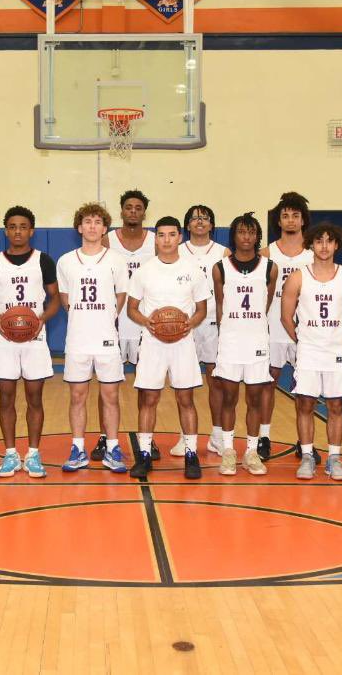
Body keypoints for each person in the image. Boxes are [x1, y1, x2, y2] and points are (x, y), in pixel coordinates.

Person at [126, 216, 210, 480]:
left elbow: (202, 309)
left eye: (171, 235)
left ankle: (191, 454)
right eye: (161, 235)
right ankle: (145, 456)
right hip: (152, 342)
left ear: (180, 237)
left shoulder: (193, 269)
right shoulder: (144, 270)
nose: (166, 240)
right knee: (149, 399)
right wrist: (147, 322)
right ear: (156, 238)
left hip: (183, 342)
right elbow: (132, 308)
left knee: (186, 399)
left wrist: (189, 324)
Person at [0, 206, 61, 478]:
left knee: (34, 398)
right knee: (6, 398)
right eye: (13, 226)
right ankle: (10, 454)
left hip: (35, 339)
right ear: (6, 230)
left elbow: (56, 299)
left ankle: (34, 454)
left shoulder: (43, 261)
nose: (18, 231)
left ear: (32, 231)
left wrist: (40, 320)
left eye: (23, 226)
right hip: (5, 340)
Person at [281, 222, 342, 481]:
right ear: (311, 245)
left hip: (336, 351)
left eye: (329, 241)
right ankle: (307, 456)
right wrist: (304, 340)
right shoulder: (298, 277)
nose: (324, 246)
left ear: (336, 244)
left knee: (336, 404)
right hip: (308, 351)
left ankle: (335, 459)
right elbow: (286, 318)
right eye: (319, 241)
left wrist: (336, 339)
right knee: (304, 403)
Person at [56, 202, 129, 473]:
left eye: (98, 222)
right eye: (87, 221)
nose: (92, 226)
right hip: (78, 339)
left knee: (110, 395)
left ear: (105, 228)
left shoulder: (116, 260)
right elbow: (65, 299)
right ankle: (78, 448)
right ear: (79, 227)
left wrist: (108, 316)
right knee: (78, 395)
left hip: (107, 338)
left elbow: (121, 295)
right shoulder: (65, 261)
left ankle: (112, 448)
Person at [212, 213, 277, 476]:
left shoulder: (270, 267)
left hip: (257, 341)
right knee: (229, 397)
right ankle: (228, 450)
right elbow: (219, 305)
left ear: (257, 236)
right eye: (241, 232)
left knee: (254, 399)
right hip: (230, 341)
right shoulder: (220, 267)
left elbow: (267, 303)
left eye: (251, 232)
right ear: (234, 236)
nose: (247, 237)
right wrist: (227, 333)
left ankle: (251, 451)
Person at [97, 189, 158, 461]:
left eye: (138, 208)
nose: (133, 211)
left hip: (146, 323)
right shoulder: (107, 240)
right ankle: (104, 437)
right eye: (128, 207)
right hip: (115, 322)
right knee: (108, 387)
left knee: (148, 386)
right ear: (121, 211)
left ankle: (148, 439)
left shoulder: (156, 241)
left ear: (144, 212)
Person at [260, 191, 314, 461]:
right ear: (278, 221)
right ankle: (264, 437)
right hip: (272, 328)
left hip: (305, 331)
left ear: (303, 220)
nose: (290, 220)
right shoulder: (266, 254)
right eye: (285, 215)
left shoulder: (315, 254)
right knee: (268, 385)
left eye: (295, 215)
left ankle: (305, 443)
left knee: (306, 387)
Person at [177, 204, 229, 457]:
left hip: (211, 322)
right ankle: (184, 436)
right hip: (181, 323)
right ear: (187, 225)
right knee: (182, 381)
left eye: (205, 218)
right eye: (194, 218)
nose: (199, 222)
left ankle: (217, 435)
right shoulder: (176, 251)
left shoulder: (223, 253)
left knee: (215, 380)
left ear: (211, 225)